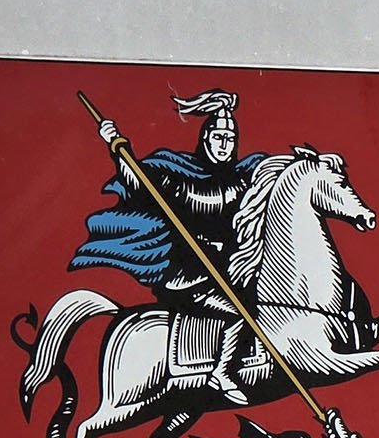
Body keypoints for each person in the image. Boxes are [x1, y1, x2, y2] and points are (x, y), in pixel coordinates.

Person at [70, 89, 266, 403]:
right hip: (187, 273)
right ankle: (221, 372)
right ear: (205, 138)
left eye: (230, 138)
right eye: (218, 137)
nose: (224, 144)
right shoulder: (181, 178)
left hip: (227, 269)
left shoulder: (243, 180)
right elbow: (141, 183)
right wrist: (117, 146)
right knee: (239, 313)